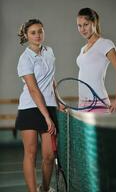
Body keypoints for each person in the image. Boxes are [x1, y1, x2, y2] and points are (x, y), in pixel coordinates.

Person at [15, 19, 57, 192]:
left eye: (40, 31)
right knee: (30, 154)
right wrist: (47, 116)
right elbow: (33, 89)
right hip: (30, 108)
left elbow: (51, 80)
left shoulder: (50, 51)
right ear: (26, 35)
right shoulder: (24, 59)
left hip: (49, 106)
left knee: (49, 155)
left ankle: (45, 189)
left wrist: (58, 102)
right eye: (33, 32)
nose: (38, 35)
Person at [76, 8, 116, 113]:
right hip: (82, 104)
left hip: (98, 103)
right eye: (79, 26)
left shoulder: (105, 44)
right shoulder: (83, 49)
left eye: (86, 24)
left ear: (94, 23)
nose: (82, 29)